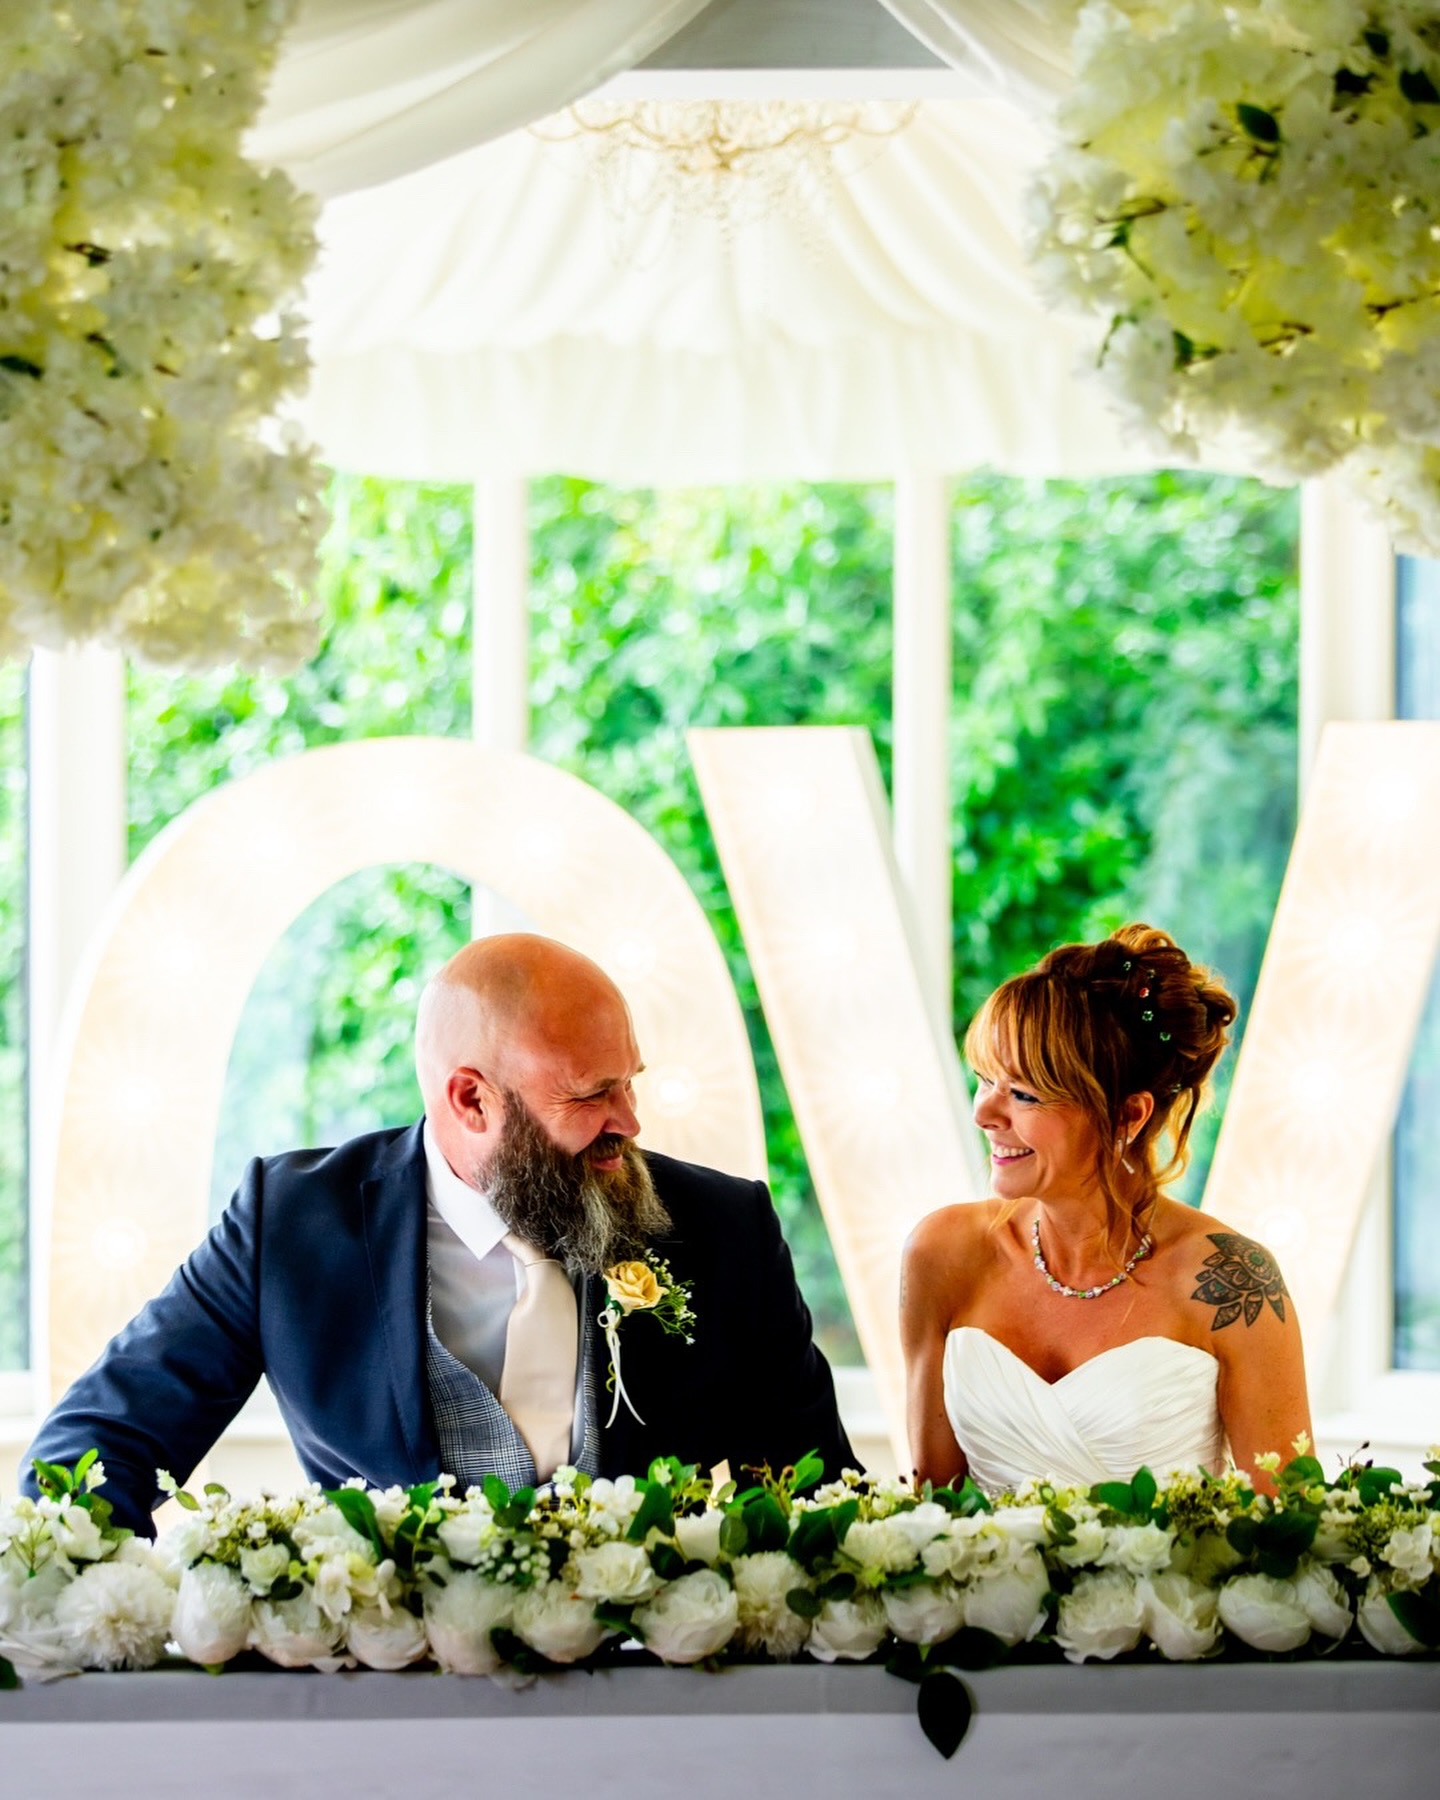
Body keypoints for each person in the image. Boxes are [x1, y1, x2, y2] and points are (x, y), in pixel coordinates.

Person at [23, 934, 853, 1533]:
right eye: (590, 1094)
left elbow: (818, 1498)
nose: (628, 1121)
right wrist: (110, 1618)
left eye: (629, 1082)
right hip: (385, 1703)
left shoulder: (725, 1230)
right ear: (471, 1100)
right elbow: (95, 1446)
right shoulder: (289, 1225)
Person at [901, 923, 1311, 1496]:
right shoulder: (942, 1254)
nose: (985, 1114)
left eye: (1024, 1094)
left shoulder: (1232, 1282)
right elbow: (931, 1511)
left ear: (1127, 1116)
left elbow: (1291, 1528)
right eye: (985, 1080)